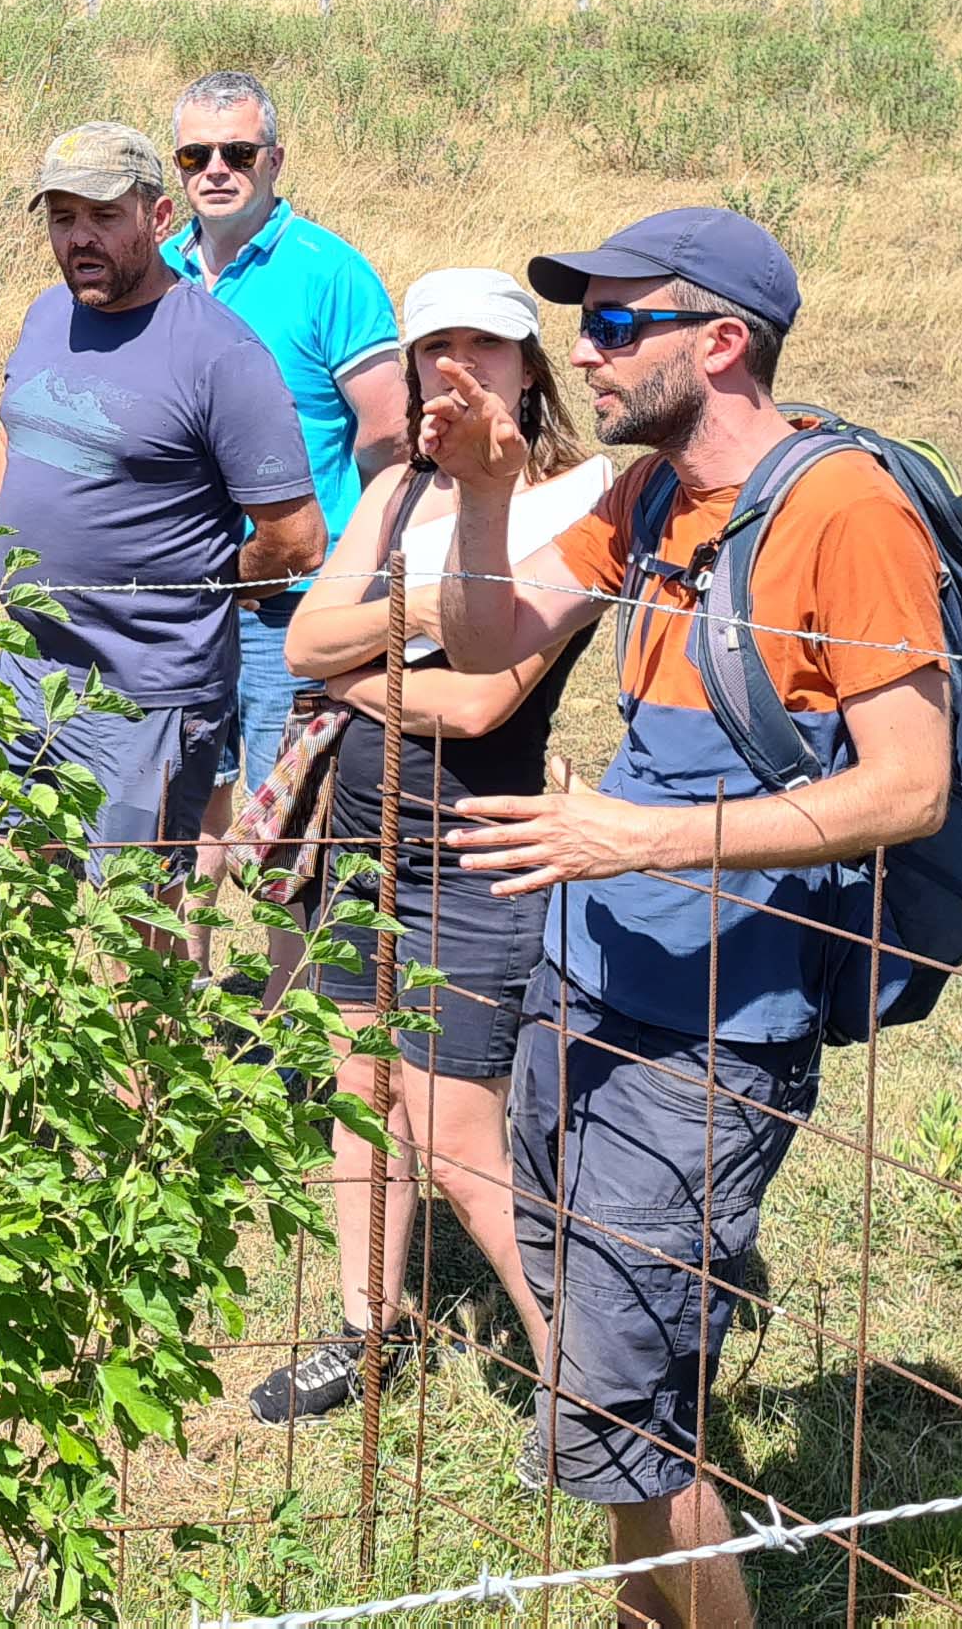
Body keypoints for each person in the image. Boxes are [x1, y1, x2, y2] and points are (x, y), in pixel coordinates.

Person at [425, 208, 954, 1629]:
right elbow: (489, 649)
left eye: (613, 326)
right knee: (611, 1397)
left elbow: (909, 786)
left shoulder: (844, 513)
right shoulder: (646, 497)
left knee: (617, 1408)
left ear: (722, 343)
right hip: (583, 989)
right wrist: (481, 492)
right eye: (582, 327)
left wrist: (632, 836)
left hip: (715, 1036)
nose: (583, 357)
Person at [249, 268, 613, 1425]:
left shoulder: (575, 505)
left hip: (474, 854)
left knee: (458, 1133)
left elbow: (481, 706)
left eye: (485, 349)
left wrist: (359, 660)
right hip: (364, 843)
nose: (458, 368)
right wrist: (417, 615)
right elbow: (306, 639)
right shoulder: (399, 487)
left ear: (528, 368)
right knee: (362, 1086)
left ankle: (587, 1385)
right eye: (434, 348)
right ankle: (367, 1326)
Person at [0, 123, 326, 864]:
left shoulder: (221, 354)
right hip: (21, 674)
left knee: (130, 927)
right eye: (63, 216)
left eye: (105, 216)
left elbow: (296, 539)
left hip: (145, 698)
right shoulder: (49, 316)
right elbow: (20, 455)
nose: (80, 237)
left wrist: (199, 594)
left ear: (160, 218)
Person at [158, 73, 404, 793]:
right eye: (194, 156)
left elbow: (387, 432)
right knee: (185, 800)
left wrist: (354, 566)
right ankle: (194, 915)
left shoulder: (331, 273)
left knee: (285, 815)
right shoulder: (159, 271)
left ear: (275, 160)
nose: (215, 171)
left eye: (238, 152)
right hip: (185, 587)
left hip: (292, 595)